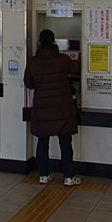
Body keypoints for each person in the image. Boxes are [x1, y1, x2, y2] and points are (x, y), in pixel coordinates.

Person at [23, 29, 82, 187]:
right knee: (65, 142)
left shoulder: (33, 62)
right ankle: (68, 177)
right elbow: (76, 68)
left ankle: (43, 175)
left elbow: (28, 83)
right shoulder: (62, 59)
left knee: (42, 142)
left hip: (42, 108)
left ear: (39, 42)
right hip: (62, 108)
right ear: (54, 41)